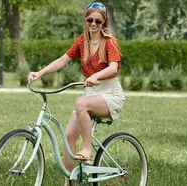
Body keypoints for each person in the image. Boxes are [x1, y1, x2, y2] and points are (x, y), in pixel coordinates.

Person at [27, 2, 124, 185]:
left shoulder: (110, 42)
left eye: (98, 21)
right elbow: (62, 60)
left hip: (110, 94)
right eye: (90, 20)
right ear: (85, 20)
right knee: (69, 137)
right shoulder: (82, 41)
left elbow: (113, 68)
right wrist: (39, 73)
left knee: (81, 103)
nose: (93, 24)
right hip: (91, 93)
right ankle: (70, 182)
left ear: (104, 22)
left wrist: (96, 75)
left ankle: (87, 151)